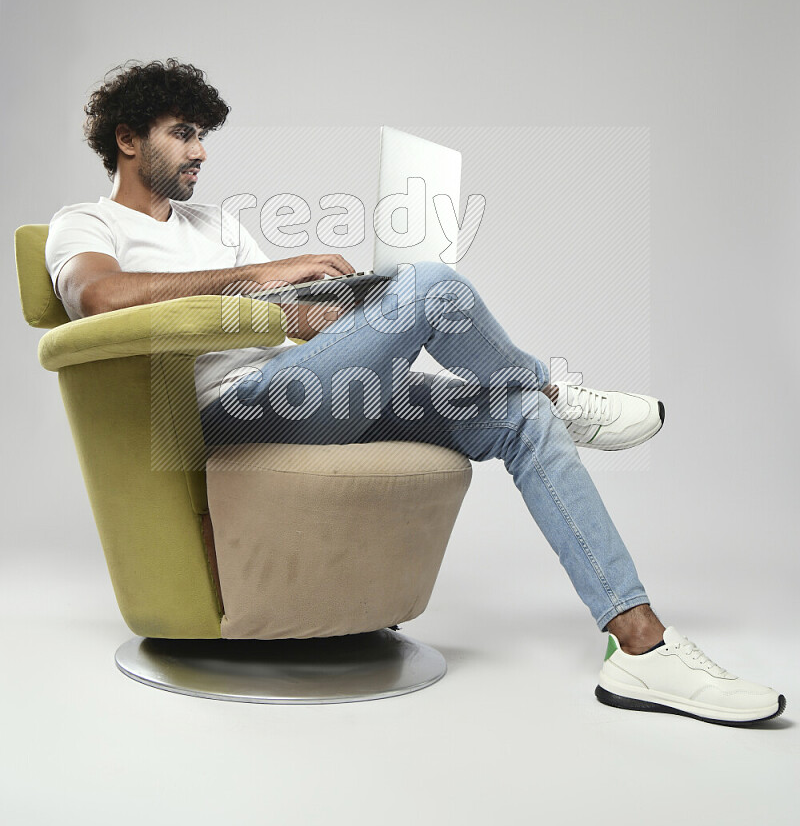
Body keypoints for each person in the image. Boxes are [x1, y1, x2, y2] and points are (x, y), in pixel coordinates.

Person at [45, 59, 785, 726]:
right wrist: (268, 275)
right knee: (432, 285)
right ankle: (554, 388)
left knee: (512, 413)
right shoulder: (86, 223)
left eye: (203, 134)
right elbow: (99, 298)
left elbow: (271, 322)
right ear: (129, 140)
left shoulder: (217, 224)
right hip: (223, 415)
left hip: (299, 387)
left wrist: (350, 309)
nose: (201, 150)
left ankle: (641, 647)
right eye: (184, 133)